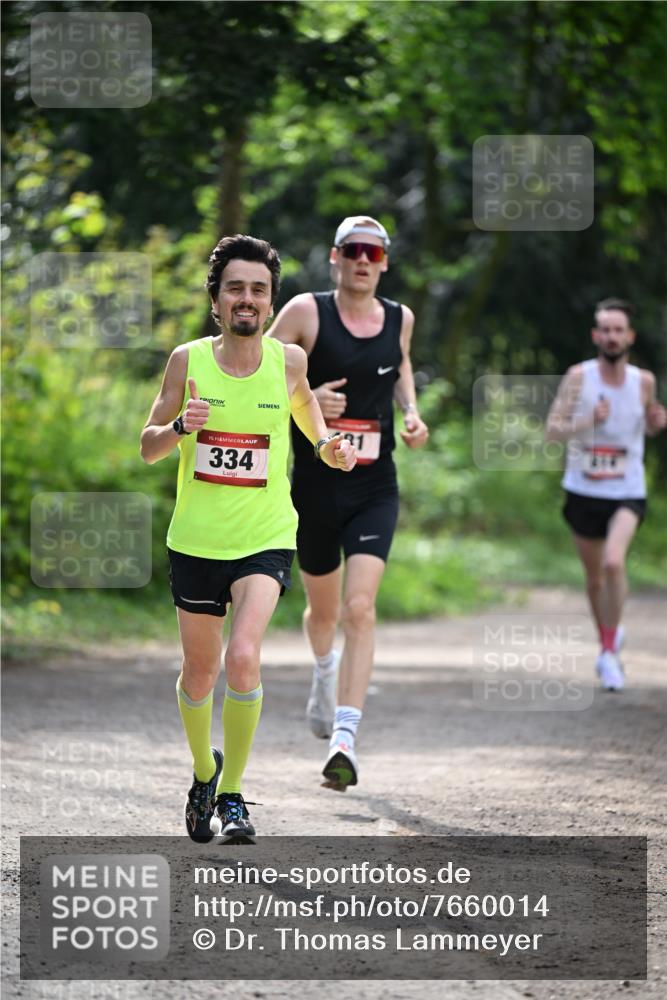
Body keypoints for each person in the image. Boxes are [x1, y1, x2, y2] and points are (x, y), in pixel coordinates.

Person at [140, 234, 356, 843]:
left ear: (269, 301)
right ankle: (204, 772)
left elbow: (310, 419)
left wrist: (328, 448)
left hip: (265, 535)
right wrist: (182, 425)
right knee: (199, 673)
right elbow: (148, 445)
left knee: (242, 658)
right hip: (196, 541)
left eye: (258, 290)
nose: (247, 299)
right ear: (216, 299)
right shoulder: (188, 360)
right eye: (235, 287)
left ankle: (233, 795)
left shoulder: (289, 361)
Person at [269, 215, 428, 790]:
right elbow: (254, 379)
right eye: (354, 250)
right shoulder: (306, 314)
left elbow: (401, 364)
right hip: (315, 487)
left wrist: (411, 411)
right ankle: (322, 670)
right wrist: (307, 398)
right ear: (335, 257)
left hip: (374, 486)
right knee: (325, 613)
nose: (364, 260)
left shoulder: (399, 318)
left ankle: (345, 737)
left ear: (384, 263)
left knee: (360, 609)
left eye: (375, 253)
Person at [546, 298, 666, 691]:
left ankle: (610, 651)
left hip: (627, 489)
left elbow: (646, 425)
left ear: (629, 336)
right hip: (583, 489)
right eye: (606, 330)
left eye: (619, 330)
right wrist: (587, 421)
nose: (612, 337)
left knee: (615, 562)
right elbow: (553, 431)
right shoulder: (579, 377)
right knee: (595, 579)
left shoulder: (643, 381)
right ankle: (607, 642)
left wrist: (655, 422)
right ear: (596, 336)